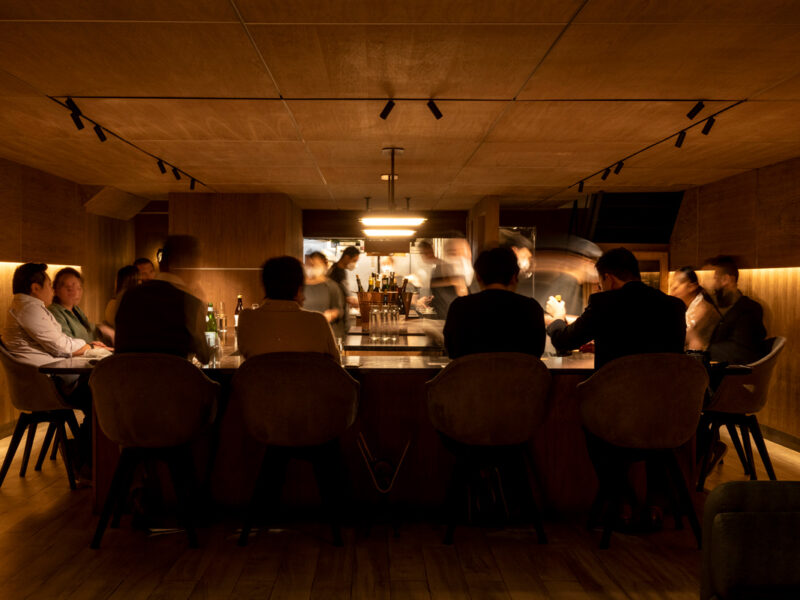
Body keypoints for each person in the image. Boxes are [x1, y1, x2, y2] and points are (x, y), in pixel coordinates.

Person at [2, 263, 100, 472]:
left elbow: (62, 343)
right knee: (101, 395)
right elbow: (62, 346)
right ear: (35, 288)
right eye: (49, 285)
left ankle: (85, 457)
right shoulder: (29, 309)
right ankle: (87, 462)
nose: (52, 291)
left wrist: (85, 347)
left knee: (97, 393)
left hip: (45, 381)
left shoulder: (30, 307)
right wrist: (88, 346)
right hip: (45, 386)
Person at [546, 247, 686, 369]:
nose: (601, 289)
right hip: (665, 394)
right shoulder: (675, 306)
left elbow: (563, 341)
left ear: (608, 278)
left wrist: (558, 316)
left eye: (600, 284)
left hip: (615, 394)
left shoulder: (603, 303)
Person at [115, 236, 211, 364]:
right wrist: (202, 303)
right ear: (186, 265)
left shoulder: (127, 295)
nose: (199, 271)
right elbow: (205, 357)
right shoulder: (190, 303)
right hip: (171, 381)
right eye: (197, 264)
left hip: (123, 380)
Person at [444, 246, 545, 359]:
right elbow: (537, 352)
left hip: (471, 376)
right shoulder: (531, 308)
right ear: (513, 277)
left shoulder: (459, 307)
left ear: (478, 277)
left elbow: (451, 351)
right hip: (519, 376)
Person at [238, 256, 339, 361]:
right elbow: (335, 364)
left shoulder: (247, 319)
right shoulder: (318, 321)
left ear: (265, 286)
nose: (304, 298)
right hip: (306, 377)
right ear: (298, 290)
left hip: (261, 378)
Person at [703, 255, 766, 365]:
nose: (710, 285)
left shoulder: (749, 310)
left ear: (726, 279)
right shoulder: (721, 308)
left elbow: (739, 351)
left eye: (714, 278)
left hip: (733, 378)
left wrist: (701, 349)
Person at [48, 267, 114, 345]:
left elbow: (90, 329)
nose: (76, 293)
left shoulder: (76, 309)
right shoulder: (54, 311)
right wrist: (92, 346)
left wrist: (103, 329)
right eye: (69, 288)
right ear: (56, 290)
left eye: (79, 288)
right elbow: (68, 343)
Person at [669, 266, 720, 352]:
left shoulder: (702, 308)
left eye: (676, 286)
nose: (672, 291)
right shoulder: (688, 306)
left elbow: (678, 338)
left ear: (692, 287)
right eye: (672, 286)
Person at [430, 237, 479, 319]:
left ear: (469, 254)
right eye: (452, 253)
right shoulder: (439, 278)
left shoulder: (479, 281)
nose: (458, 258)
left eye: (462, 253)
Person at [303, 251, 347, 339]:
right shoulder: (300, 286)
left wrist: (332, 314)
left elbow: (340, 310)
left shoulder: (331, 286)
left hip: (325, 333)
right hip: (304, 332)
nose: (312, 267)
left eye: (316, 264)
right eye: (309, 264)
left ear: (324, 265)